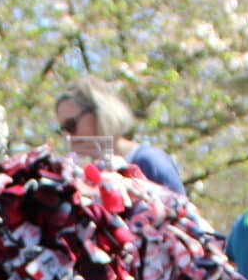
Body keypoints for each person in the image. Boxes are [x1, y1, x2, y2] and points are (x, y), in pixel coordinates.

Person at [52, 77, 186, 197]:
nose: (68, 136)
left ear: (100, 113)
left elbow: (183, 218)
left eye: (71, 125)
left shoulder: (149, 162)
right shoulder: (82, 176)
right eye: (62, 130)